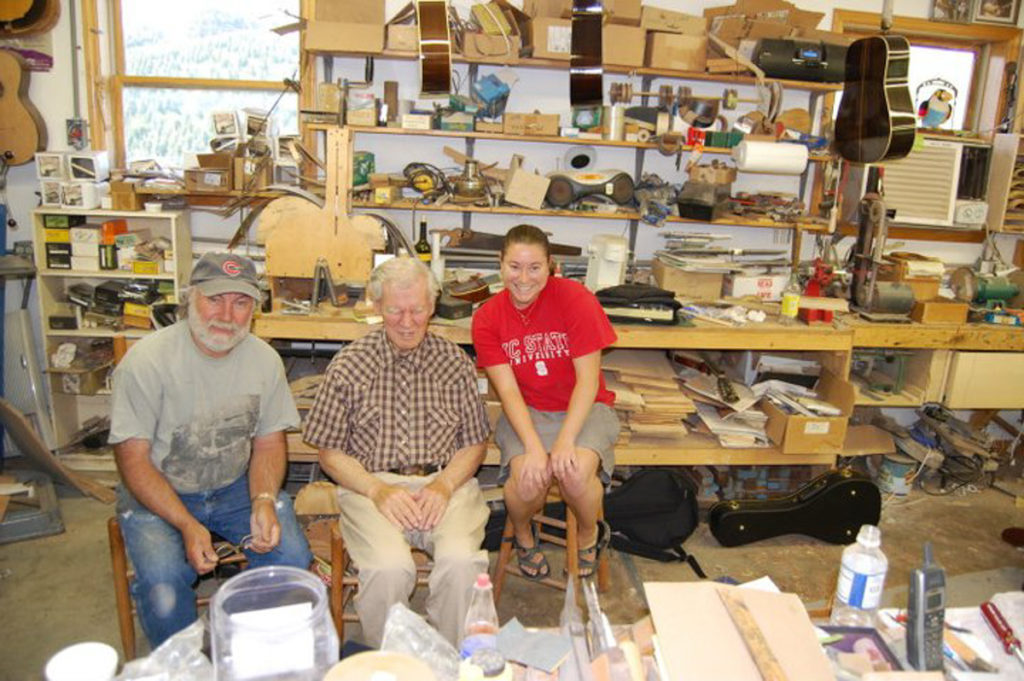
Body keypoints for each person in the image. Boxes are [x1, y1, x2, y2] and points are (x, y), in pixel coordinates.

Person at [109, 251, 312, 647]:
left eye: (241, 303)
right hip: (158, 489)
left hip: (233, 483)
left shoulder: (265, 361)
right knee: (164, 581)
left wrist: (265, 499)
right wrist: (187, 524)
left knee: (289, 557)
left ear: (254, 309)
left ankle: (251, 652)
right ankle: (178, 668)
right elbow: (132, 460)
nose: (227, 314)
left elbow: (269, 441)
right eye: (214, 298)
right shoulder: (146, 363)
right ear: (190, 298)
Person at [304, 256, 491, 647]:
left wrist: (443, 486)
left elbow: (474, 442)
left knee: (461, 564)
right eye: (394, 311)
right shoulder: (350, 364)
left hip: (446, 482)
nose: (407, 322)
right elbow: (329, 453)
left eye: (417, 310)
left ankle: (449, 660)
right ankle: (390, 663)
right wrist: (377, 490)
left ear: (432, 307)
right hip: (373, 486)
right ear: (376, 307)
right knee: (389, 569)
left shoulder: (454, 362)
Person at [472, 224, 619, 581]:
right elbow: (507, 392)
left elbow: (587, 381)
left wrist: (565, 441)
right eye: (514, 266)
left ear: (551, 266)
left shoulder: (576, 299)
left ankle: (588, 533)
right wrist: (536, 448)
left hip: (584, 407)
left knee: (572, 472)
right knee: (526, 479)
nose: (523, 278)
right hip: (527, 410)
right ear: (500, 263)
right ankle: (524, 535)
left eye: (534, 267)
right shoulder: (487, 317)